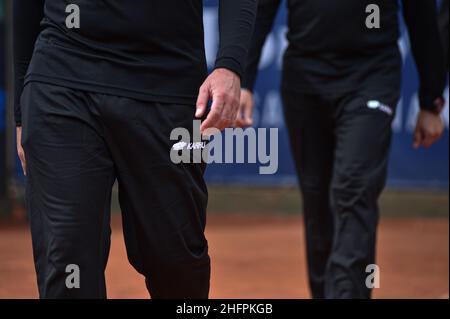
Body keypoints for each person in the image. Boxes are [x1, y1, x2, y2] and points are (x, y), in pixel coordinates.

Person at [14, 0, 256, 299]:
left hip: (169, 87)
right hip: (62, 78)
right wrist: (21, 112)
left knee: (175, 260)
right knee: (67, 255)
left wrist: (229, 65)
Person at [239, 0, 446, 298]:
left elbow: (422, 15)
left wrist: (431, 100)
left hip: (371, 76)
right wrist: (244, 81)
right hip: (305, 79)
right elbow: (260, 10)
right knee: (317, 199)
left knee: (354, 189)